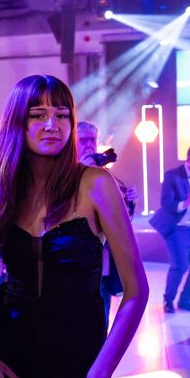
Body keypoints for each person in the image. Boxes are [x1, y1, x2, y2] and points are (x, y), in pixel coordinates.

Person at [0, 75, 149, 378]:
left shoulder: (96, 183)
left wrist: (101, 370)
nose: (52, 125)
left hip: (78, 353)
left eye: (62, 115)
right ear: (17, 122)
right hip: (6, 350)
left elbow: (136, 291)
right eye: (38, 115)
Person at [76, 120, 138, 331]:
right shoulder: (63, 172)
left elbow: (117, 219)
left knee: (101, 320)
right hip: (75, 261)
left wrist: (129, 202)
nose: (89, 145)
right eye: (83, 140)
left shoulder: (103, 173)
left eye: (92, 140)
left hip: (102, 262)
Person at [149, 146, 190, 313]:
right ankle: (168, 299)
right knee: (181, 266)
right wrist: (185, 203)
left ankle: (185, 299)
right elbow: (166, 203)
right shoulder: (172, 175)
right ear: (187, 161)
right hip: (177, 228)